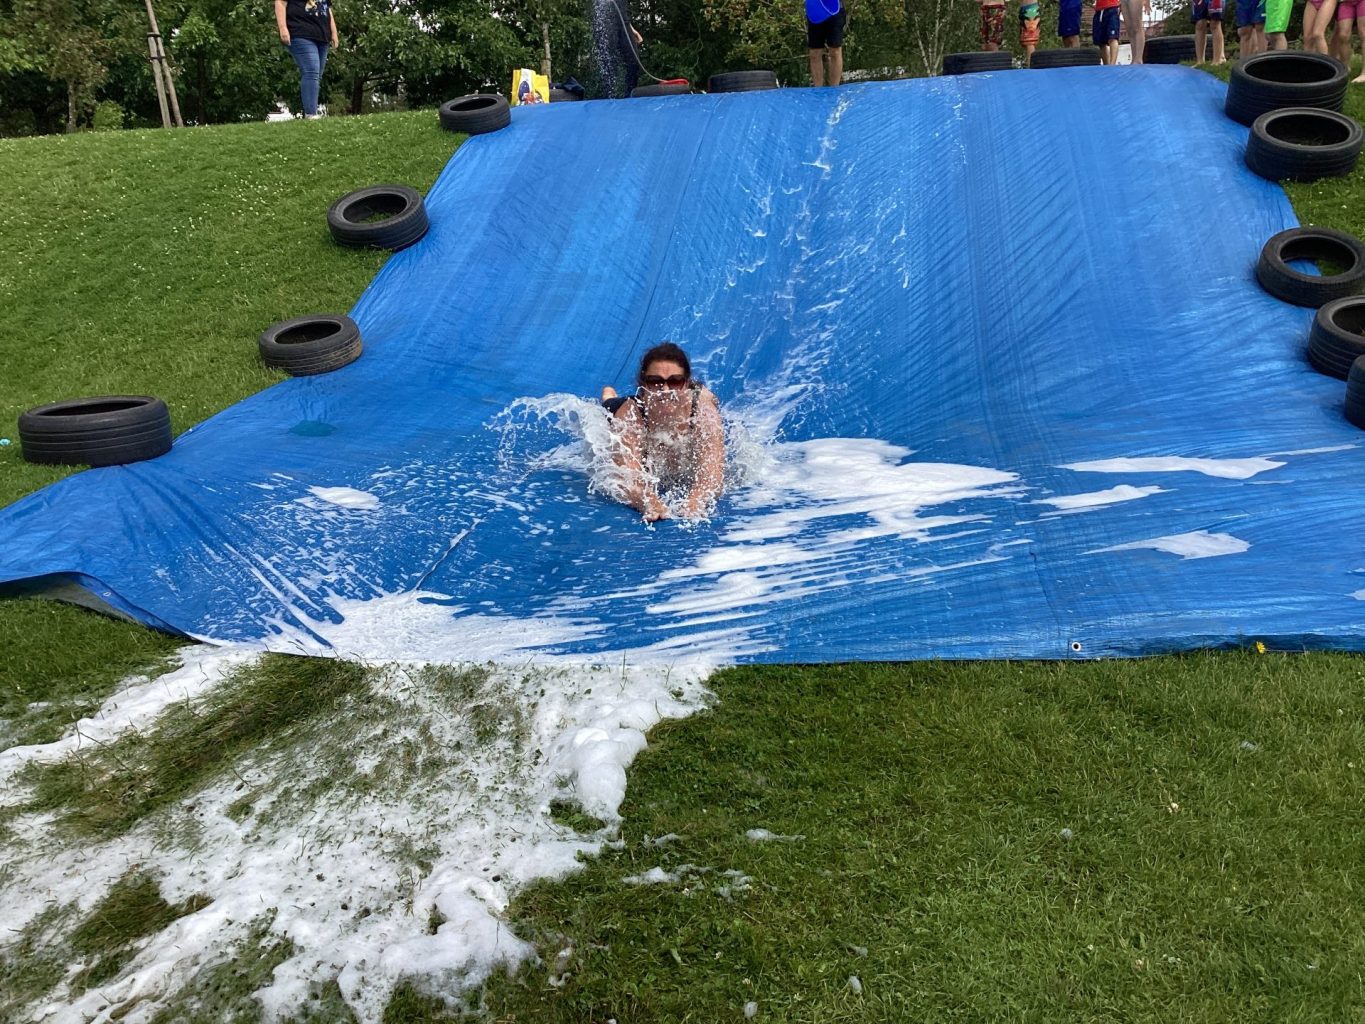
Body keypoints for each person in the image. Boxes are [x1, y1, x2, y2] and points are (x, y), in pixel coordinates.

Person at [600, 343, 724, 522]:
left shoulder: (702, 410)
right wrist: (648, 501)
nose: (665, 390)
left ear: (686, 382)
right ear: (644, 383)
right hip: (630, 406)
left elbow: (713, 473)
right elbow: (626, 476)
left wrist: (696, 499)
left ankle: (697, 388)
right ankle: (609, 395)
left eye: (675, 381)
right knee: (609, 406)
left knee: (709, 399)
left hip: (692, 399)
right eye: (655, 382)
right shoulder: (631, 413)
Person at [274, 0, 338, 119]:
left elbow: (327, 8)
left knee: (316, 75)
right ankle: (311, 114)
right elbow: (280, 3)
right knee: (311, 71)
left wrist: (334, 32)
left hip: (322, 35)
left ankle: (311, 111)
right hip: (300, 32)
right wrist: (283, 28)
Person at [806, 0, 847, 86]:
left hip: (834, 9)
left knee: (835, 51)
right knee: (814, 53)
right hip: (815, 10)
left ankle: (834, 88)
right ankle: (818, 89)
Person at [1331, 0, 1365, 81]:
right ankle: (1345, 68)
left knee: (1363, 33)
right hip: (1345, 2)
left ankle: (1364, 73)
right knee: (1343, 35)